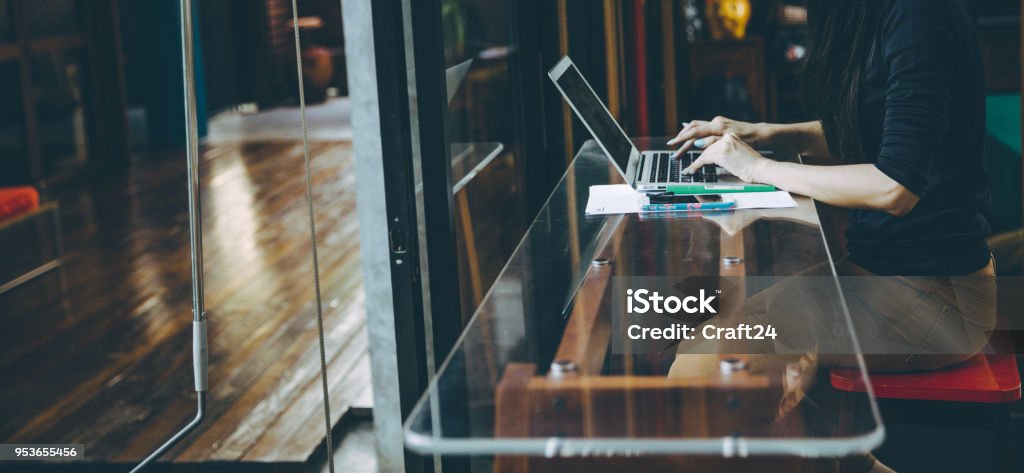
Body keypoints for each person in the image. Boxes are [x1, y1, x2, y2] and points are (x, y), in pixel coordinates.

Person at [666, 2, 998, 471]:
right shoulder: (871, 13)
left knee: (704, 371)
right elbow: (874, 129)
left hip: (937, 297)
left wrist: (760, 167)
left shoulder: (920, 14)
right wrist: (762, 133)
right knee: (696, 349)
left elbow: (895, 186)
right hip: (879, 273)